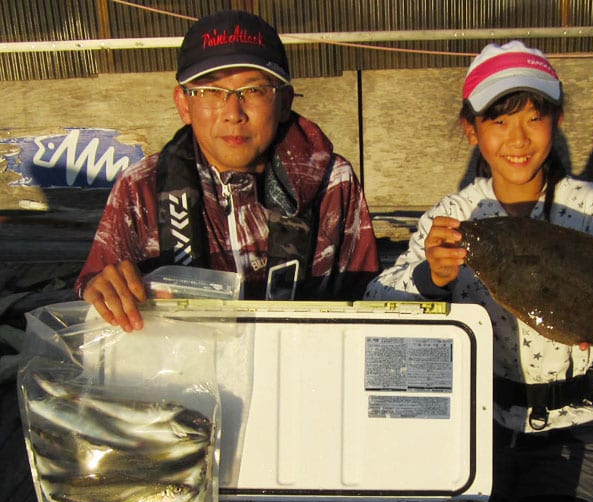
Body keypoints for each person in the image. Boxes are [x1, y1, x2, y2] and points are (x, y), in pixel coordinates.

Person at [365, 41, 593, 502]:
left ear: (557, 123)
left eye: (536, 119)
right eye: (500, 120)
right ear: (471, 130)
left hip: (574, 422)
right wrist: (430, 279)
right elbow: (376, 302)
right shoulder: (453, 216)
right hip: (477, 429)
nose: (518, 137)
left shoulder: (587, 202)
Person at [76, 9, 379, 331]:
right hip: (183, 371)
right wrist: (102, 286)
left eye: (254, 91)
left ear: (284, 101)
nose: (233, 113)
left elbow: (364, 300)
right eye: (210, 91)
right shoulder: (141, 185)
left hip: (300, 368)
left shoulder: (332, 181)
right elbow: (99, 286)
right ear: (183, 104)